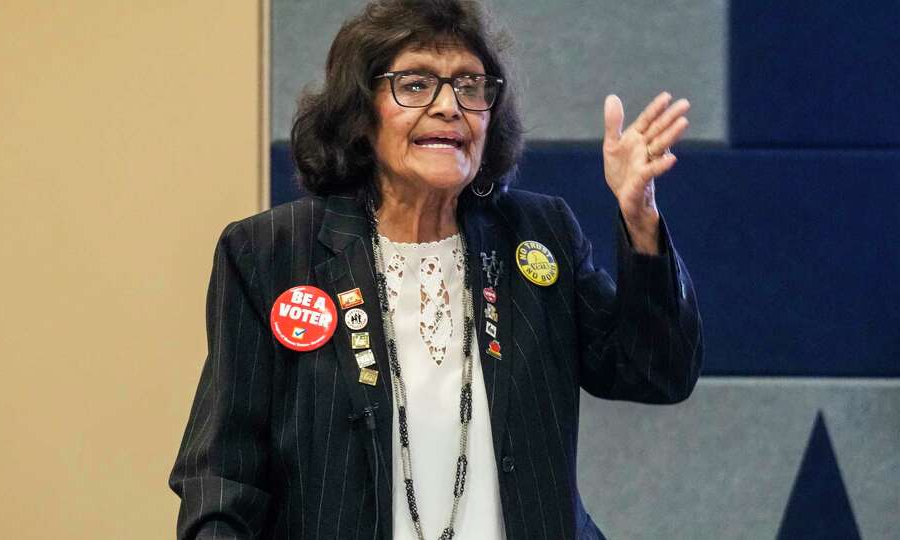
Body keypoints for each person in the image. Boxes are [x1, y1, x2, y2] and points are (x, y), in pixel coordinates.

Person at [168, 0, 702, 538]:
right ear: (362, 111)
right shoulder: (272, 253)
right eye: (416, 84)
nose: (450, 106)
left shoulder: (539, 233)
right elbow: (222, 474)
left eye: (470, 86)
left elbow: (654, 371)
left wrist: (640, 219)